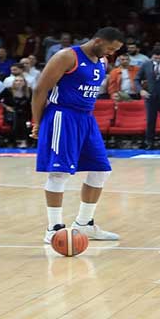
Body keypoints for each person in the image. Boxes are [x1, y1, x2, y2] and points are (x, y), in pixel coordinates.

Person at [31, 27, 125, 244]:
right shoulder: (67, 56)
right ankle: (53, 228)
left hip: (86, 119)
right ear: (98, 41)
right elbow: (39, 89)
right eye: (110, 48)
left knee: (101, 171)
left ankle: (85, 224)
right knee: (59, 173)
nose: (111, 53)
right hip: (62, 116)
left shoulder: (101, 61)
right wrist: (36, 122)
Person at [0, 75, 32, 148]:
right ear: (13, 82)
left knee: (23, 121)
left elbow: (32, 103)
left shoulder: (29, 91)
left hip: (25, 113)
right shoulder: (8, 90)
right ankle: (19, 140)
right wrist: (7, 107)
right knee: (17, 120)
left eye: (21, 80)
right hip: (11, 113)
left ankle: (22, 141)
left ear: (24, 83)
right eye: (16, 80)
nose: (18, 82)